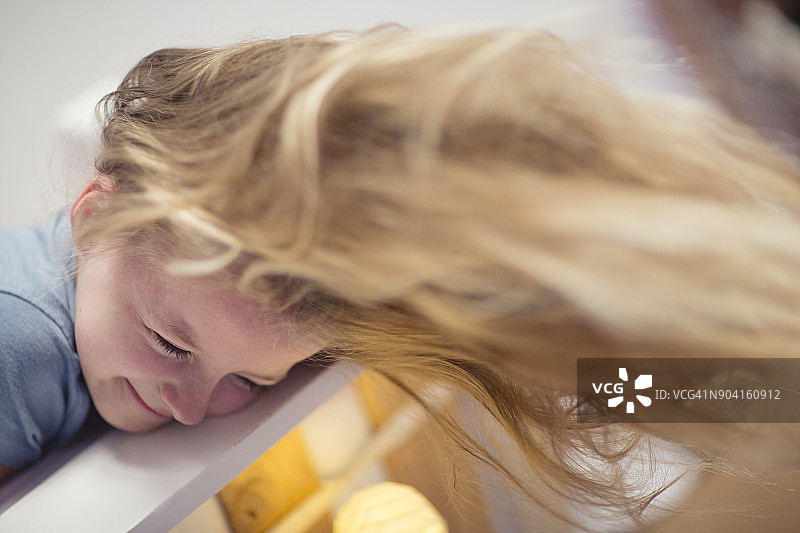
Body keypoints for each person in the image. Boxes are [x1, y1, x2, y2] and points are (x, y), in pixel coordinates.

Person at [2, 26, 798, 527]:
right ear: (93, 214)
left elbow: (558, 369)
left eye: (248, 377)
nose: (195, 405)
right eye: (171, 343)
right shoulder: (21, 340)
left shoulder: (258, 307)